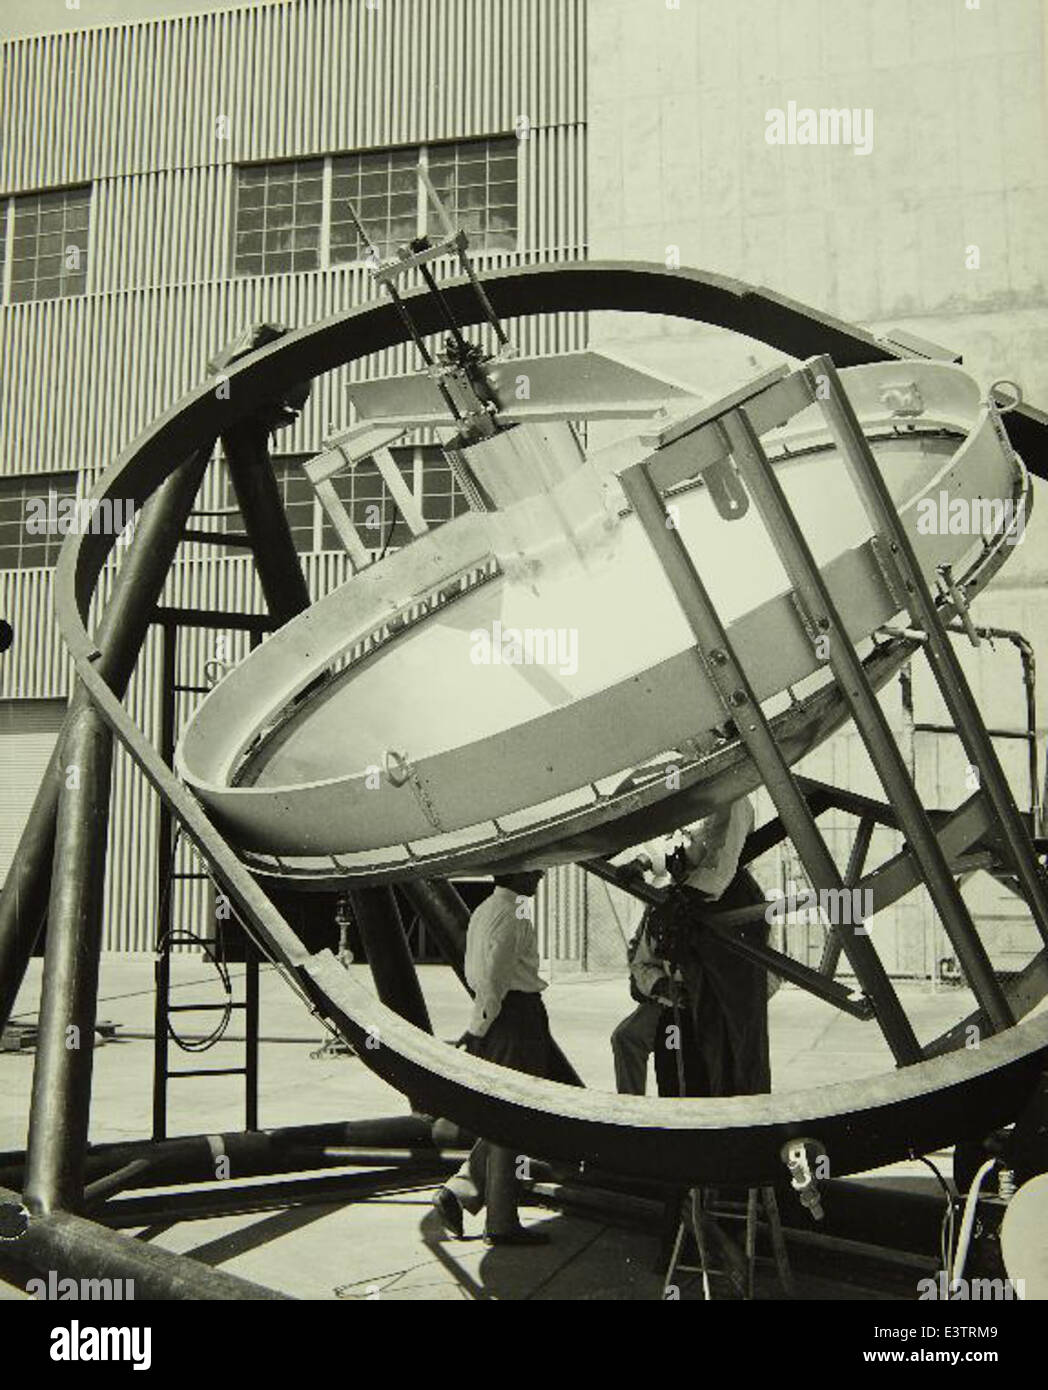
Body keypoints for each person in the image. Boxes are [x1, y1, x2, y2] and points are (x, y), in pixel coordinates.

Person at [611, 797, 770, 1098]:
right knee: (670, 1058)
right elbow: (675, 842)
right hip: (676, 992)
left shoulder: (734, 800)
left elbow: (719, 869)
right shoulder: (695, 794)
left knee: (729, 1047)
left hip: (721, 911)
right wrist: (643, 861)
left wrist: (680, 900)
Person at [431, 870, 557, 1246]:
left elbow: (483, 977)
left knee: (506, 1116)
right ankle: (501, 1222)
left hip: (500, 1017)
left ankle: (462, 1191)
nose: (541, 874)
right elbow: (494, 979)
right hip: (514, 1018)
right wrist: (477, 1029)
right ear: (515, 873)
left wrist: (480, 1027)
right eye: (534, 868)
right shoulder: (515, 913)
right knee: (512, 1118)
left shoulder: (485, 909)